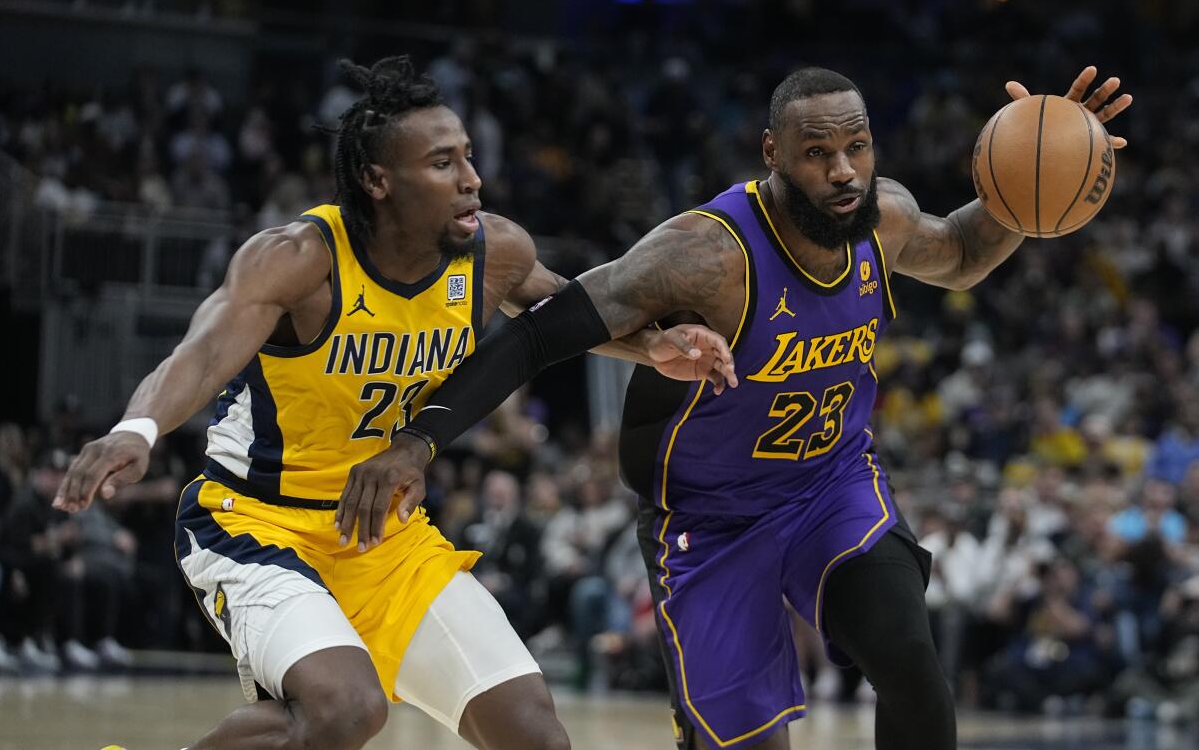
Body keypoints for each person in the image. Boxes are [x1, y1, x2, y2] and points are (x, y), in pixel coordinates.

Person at [359, 65, 1133, 749]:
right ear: (773, 156)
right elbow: (534, 339)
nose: (844, 172)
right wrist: (420, 442)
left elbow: (962, 252)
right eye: (818, 153)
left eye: (857, 148)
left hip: (830, 487)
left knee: (908, 655)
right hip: (709, 517)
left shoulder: (884, 219)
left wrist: (1037, 173)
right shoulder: (703, 255)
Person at [53, 56, 734, 750]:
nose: (472, 179)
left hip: (386, 536)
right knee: (347, 709)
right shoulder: (300, 258)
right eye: (443, 164)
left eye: (468, 157)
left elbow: (567, 311)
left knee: (536, 737)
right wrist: (137, 429)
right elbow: (199, 352)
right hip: (255, 524)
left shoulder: (492, 252)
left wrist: (653, 344)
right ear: (379, 180)